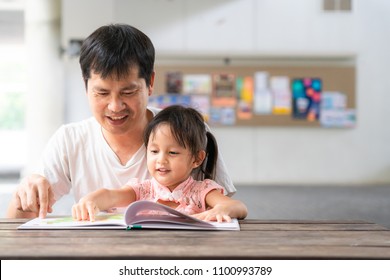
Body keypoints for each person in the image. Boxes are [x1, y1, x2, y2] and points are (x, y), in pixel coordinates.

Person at [7, 24, 236, 219]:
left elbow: (224, 212)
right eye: (102, 93)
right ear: (85, 86)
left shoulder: (184, 131)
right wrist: (24, 195)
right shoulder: (70, 140)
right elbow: (19, 223)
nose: (115, 106)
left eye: (128, 92)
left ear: (150, 82)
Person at [72, 105, 247, 222]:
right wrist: (91, 200)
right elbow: (110, 196)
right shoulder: (144, 190)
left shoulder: (201, 191)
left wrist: (222, 209)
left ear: (197, 159)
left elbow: (237, 207)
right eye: (154, 151)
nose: (161, 160)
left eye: (172, 153)